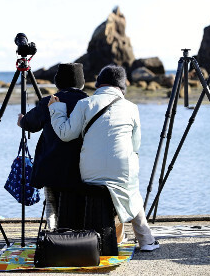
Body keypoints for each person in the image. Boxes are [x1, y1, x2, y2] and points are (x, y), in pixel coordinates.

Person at [48, 64, 159, 251]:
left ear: (98, 84)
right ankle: (146, 241)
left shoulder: (84, 104)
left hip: (91, 170)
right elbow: (135, 144)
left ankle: (118, 237)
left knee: (109, 191)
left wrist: (56, 109)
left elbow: (66, 133)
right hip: (122, 168)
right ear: (122, 87)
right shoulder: (131, 107)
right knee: (131, 193)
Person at [17, 63, 88, 229]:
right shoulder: (89, 102)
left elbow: (30, 124)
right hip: (82, 166)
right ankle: (80, 234)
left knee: (52, 201)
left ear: (58, 83)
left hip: (51, 164)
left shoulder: (49, 102)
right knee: (80, 201)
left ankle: (53, 232)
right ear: (82, 83)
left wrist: (21, 120)